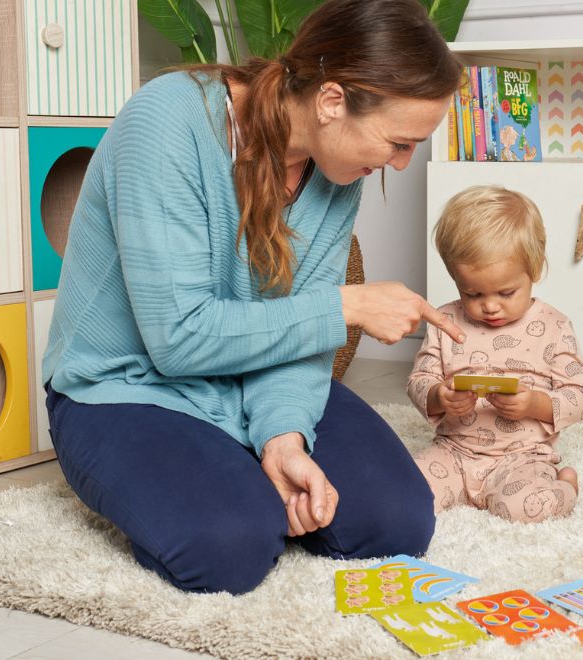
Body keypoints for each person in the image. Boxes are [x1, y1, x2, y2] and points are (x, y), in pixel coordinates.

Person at [42, 0, 465, 595]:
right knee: (231, 545)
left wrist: (283, 438)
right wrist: (344, 306)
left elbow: (300, 342)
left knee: (396, 521)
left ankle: (236, 459)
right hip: (125, 385)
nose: (401, 162)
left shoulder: (335, 168)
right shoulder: (167, 123)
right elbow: (179, 339)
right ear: (332, 101)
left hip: (251, 374)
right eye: (398, 142)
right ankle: (214, 478)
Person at [407, 185, 583, 523]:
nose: (490, 305)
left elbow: (581, 397)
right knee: (405, 494)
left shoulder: (554, 326)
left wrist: (533, 404)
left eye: (507, 292)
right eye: (472, 292)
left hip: (521, 457)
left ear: (535, 270)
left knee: (524, 508)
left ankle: (566, 485)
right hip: (454, 452)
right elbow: (420, 379)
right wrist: (440, 396)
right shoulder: (446, 321)